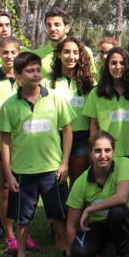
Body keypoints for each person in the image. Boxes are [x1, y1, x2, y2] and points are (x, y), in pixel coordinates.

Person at [0, 51, 76, 257]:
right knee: (23, 219)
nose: (35, 74)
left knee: (59, 215)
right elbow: (5, 140)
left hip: (52, 170)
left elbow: (67, 130)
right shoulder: (10, 105)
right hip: (22, 172)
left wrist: (64, 163)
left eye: (38, 70)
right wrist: (8, 174)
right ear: (18, 75)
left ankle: (69, 252)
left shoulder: (55, 99)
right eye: (30, 71)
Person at [66, 132, 129, 257]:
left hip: (123, 222)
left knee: (117, 212)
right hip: (98, 226)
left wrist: (89, 209)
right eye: (97, 151)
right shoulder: (81, 182)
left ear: (113, 152)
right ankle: (99, 249)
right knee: (80, 254)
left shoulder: (123, 164)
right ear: (90, 154)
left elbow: (122, 197)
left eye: (107, 150)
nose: (103, 155)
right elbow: (71, 226)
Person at [0, 36, 29, 255]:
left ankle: (25, 234)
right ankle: (10, 236)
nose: (9, 56)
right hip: (0, 142)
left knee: (25, 190)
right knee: (4, 187)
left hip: (25, 144)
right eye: (5, 52)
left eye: (13, 52)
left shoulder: (28, 78)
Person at [83, 48, 129, 164]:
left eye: (122, 63)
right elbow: (94, 125)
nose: (118, 67)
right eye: (113, 63)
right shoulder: (96, 93)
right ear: (107, 66)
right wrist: (93, 151)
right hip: (105, 154)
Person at [50, 37, 95, 184]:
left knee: (78, 183)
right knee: (57, 182)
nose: (71, 56)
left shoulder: (89, 83)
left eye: (75, 52)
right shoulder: (49, 83)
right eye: (67, 52)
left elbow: (93, 116)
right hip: (56, 138)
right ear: (59, 54)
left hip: (81, 138)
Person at [35, 8, 95, 80]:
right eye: (49, 25)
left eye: (57, 25)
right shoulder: (36, 56)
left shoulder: (84, 51)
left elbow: (92, 80)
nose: (52, 28)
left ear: (67, 28)